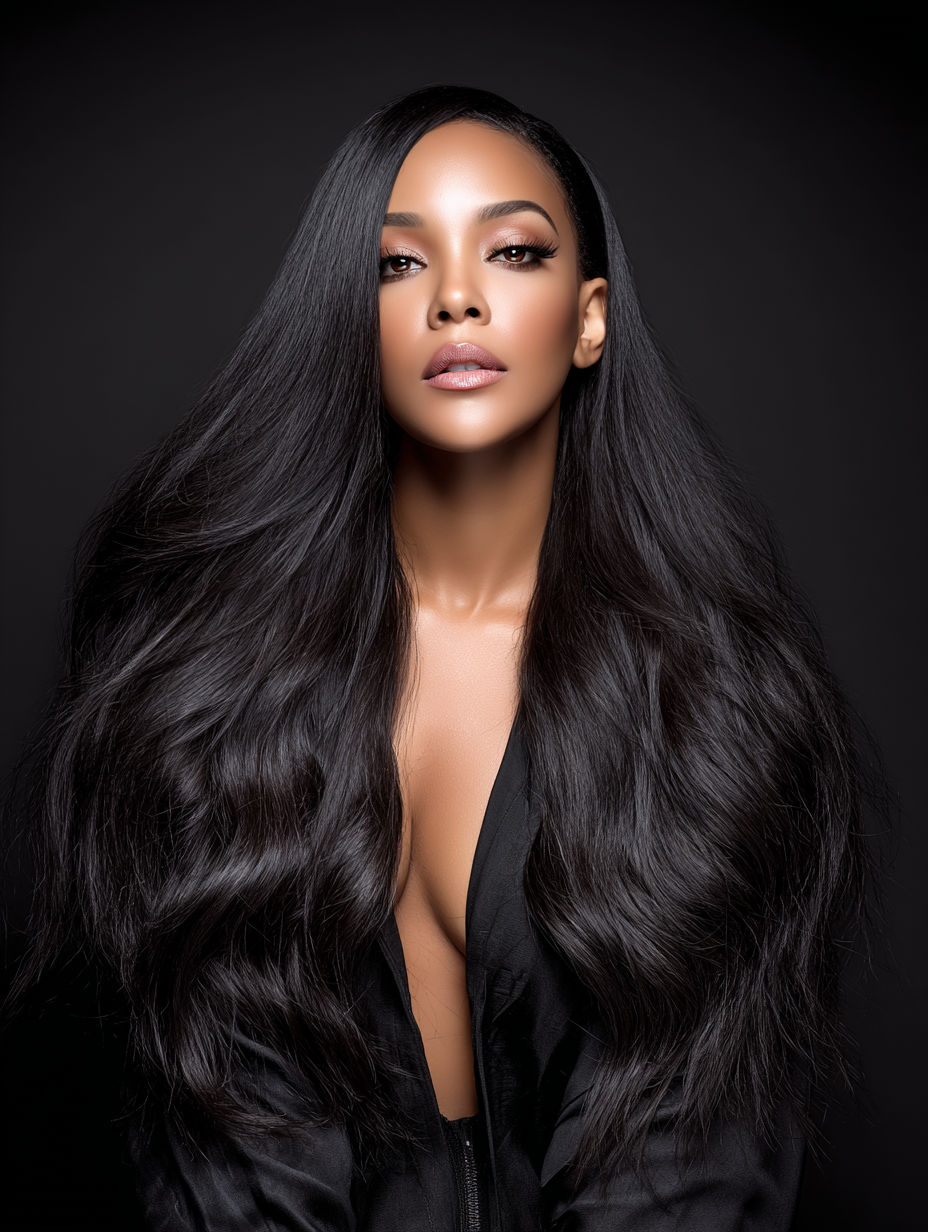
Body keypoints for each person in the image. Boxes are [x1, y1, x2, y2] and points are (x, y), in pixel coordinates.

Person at [9, 85, 874, 1229]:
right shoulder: (207, 700)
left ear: (588, 317)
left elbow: (686, 1179)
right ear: (345, 320)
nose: (456, 298)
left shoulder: (716, 707)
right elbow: (236, 1169)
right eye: (396, 265)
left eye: (513, 251)